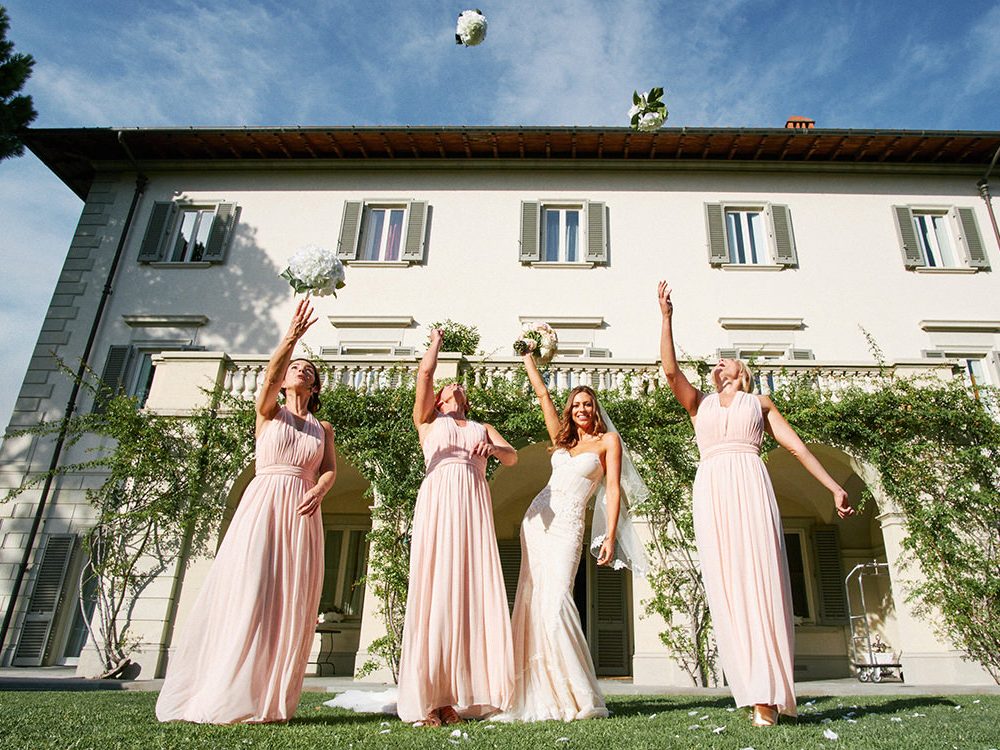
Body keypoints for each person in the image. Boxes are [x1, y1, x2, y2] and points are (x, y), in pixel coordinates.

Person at [656, 280, 854, 726]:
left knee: (760, 580)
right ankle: (750, 689)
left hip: (749, 481)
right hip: (711, 486)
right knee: (726, 586)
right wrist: (667, 317)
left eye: (726, 357)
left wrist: (833, 488)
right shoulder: (699, 404)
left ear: (740, 370)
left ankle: (769, 693)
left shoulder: (760, 403)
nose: (718, 361)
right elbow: (670, 372)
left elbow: (799, 449)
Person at [156, 298, 336, 724]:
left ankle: (270, 697)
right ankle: (225, 688)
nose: (301, 370)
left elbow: (329, 471)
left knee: (290, 600)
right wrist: (290, 339)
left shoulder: (322, 428)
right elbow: (271, 377)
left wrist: (322, 490)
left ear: (316, 387)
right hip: (265, 501)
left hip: (302, 510)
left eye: (309, 370)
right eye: (297, 366)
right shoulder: (269, 412)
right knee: (252, 589)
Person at [496, 349, 646, 722]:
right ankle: (544, 694)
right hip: (537, 521)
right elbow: (543, 395)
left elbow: (612, 491)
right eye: (576, 404)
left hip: (568, 526)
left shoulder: (608, 442)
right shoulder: (563, 441)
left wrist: (609, 536)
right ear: (571, 411)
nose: (581, 409)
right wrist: (528, 356)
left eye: (587, 404)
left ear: (595, 409)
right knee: (532, 603)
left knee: (557, 601)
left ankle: (579, 696)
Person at [395, 328, 517, 726]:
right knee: (437, 588)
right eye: (450, 386)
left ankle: (455, 697)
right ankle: (430, 698)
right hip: (440, 500)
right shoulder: (427, 421)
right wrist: (435, 344)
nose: (455, 386)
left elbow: (513, 457)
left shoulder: (480, 427)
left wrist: (494, 449)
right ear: (440, 399)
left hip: (473, 506)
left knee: (467, 591)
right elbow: (424, 377)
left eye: (459, 386)